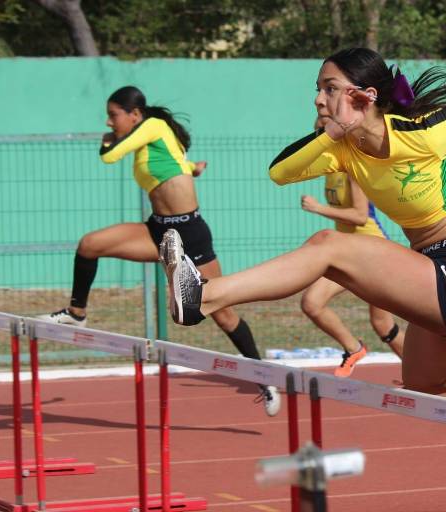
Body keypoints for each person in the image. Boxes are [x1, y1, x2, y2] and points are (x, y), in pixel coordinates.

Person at [158, 48, 446, 429]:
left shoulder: (421, 132)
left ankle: (204, 296)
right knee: (425, 379)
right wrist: (328, 133)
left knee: (328, 247)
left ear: (364, 96)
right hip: (429, 274)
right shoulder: (341, 150)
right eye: (318, 88)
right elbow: (280, 173)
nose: (317, 98)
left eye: (329, 88)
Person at [39, 86, 280, 416]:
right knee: (89, 245)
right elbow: (176, 162)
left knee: (220, 313)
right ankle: (76, 313)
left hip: (188, 233)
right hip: (158, 231)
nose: (109, 122)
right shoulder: (152, 139)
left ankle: (262, 375)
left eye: (114, 115)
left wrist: (107, 142)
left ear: (134, 115)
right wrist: (193, 168)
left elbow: (109, 156)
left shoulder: (151, 126)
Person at [299, 116, 404, 377]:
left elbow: (359, 215)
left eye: (323, 132)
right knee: (312, 303)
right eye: (316, 132)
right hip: (348, 251)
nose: (318, 138)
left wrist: (318, 208)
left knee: (382, 323)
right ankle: (353, 347)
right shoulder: (330, 167)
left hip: (372, 251)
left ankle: (422, 374)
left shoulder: (353, 166)